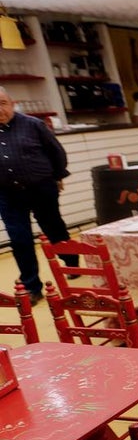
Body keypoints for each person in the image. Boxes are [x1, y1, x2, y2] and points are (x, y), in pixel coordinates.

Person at [0, 86, 74, 301]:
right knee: (19, 239)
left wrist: (58, 176)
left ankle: (71, 263)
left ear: (12, 103)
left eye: (3, 103)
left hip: (41, 187)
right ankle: (32, 286)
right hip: (7, 193)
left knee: (54, 228)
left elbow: (56, 152)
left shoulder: (33, 125)